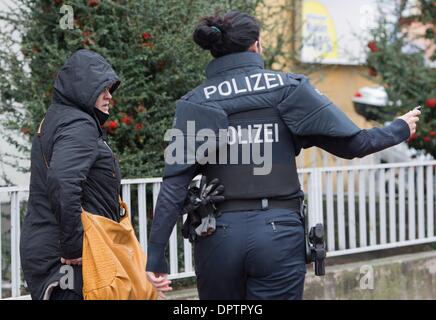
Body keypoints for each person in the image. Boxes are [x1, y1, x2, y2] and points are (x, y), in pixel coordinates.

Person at [145, 11, 421, 300]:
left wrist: (155, 257)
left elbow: (174, 185)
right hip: (278, 233)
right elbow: (353, 145)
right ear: (256, 45)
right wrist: (399, 128)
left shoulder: (194, 102)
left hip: (217, 236)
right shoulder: (290, 88)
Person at [20, 49, 123, 300]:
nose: (109, 96)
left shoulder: (56, 119)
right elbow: (63, 181)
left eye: (110, 89)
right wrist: (74, 246)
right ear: (83, 89)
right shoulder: (78, 124)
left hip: (47, 249)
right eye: (103, 89)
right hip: (66, 260)